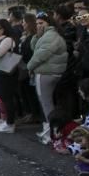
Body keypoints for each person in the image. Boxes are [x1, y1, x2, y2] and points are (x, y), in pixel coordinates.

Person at [28, 12, 69, 144]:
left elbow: (40, 54)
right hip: (51, 71)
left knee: (46, 103)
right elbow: (35, 48)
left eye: (41, 23)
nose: (38, 25)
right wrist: (37, 36)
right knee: (47, 102)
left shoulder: (51, 35)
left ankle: (52, 132)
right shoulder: (49, 35)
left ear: (48, 23)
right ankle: (51, 129)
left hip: (46, 72)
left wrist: (30, 66)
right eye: (37, 23)